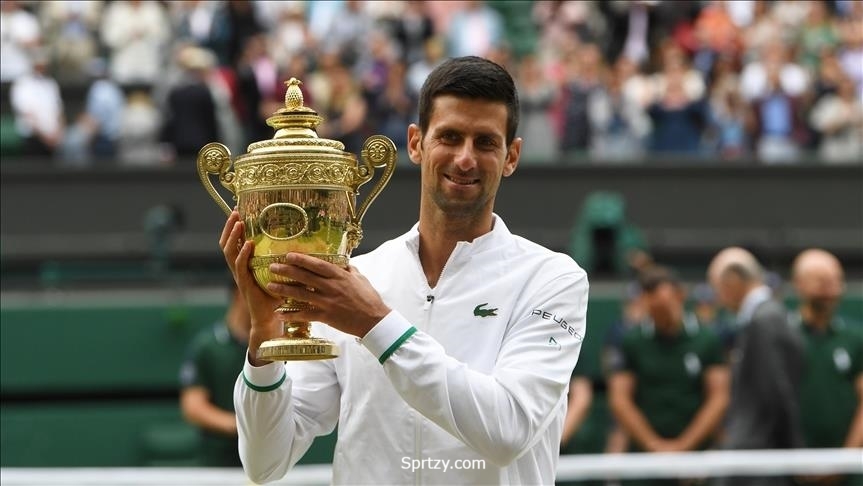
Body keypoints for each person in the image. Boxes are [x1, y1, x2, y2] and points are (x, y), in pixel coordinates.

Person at [220, 56, 589, 485]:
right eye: (449, 137)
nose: (465, 158)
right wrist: (264, 336)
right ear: (415, 144)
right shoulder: (355, 279)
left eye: (485, 142)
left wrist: (374, 323)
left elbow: (507, 431)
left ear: (512, 156)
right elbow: (265, 462)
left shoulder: (552, 280)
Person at [607, 266, 728, 478]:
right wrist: (654, 446)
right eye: (653, 310)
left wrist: (684, 447)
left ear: (680, 296)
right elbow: (620, 399)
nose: (660, 316)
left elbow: (719, 397)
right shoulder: (632, 341)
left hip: (696, 462)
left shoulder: (708, 338)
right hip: (645, 462)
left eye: (665, 307)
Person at [707, 247, 805, 486]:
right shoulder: (765, 318)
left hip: (759, 461)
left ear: (732, 281)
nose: (717, 299)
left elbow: (775, 393)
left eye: (716, 288)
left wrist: (795, 453)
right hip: (759, 458)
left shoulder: (764, 320)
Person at [791, 249, 863, 486]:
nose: (831, 290)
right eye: (822, 282)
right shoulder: (782, 337)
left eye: (836, 282)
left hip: (849, 471)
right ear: (799, 284)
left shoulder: (855, 338)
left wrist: (844, 459)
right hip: (789, 467)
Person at [179, 282, 251, 467]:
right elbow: (193, 407)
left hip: (272, 462)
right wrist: (241, 426)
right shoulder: (207, 346)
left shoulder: (278, 345)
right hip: (218, 463)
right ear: (239, 293)